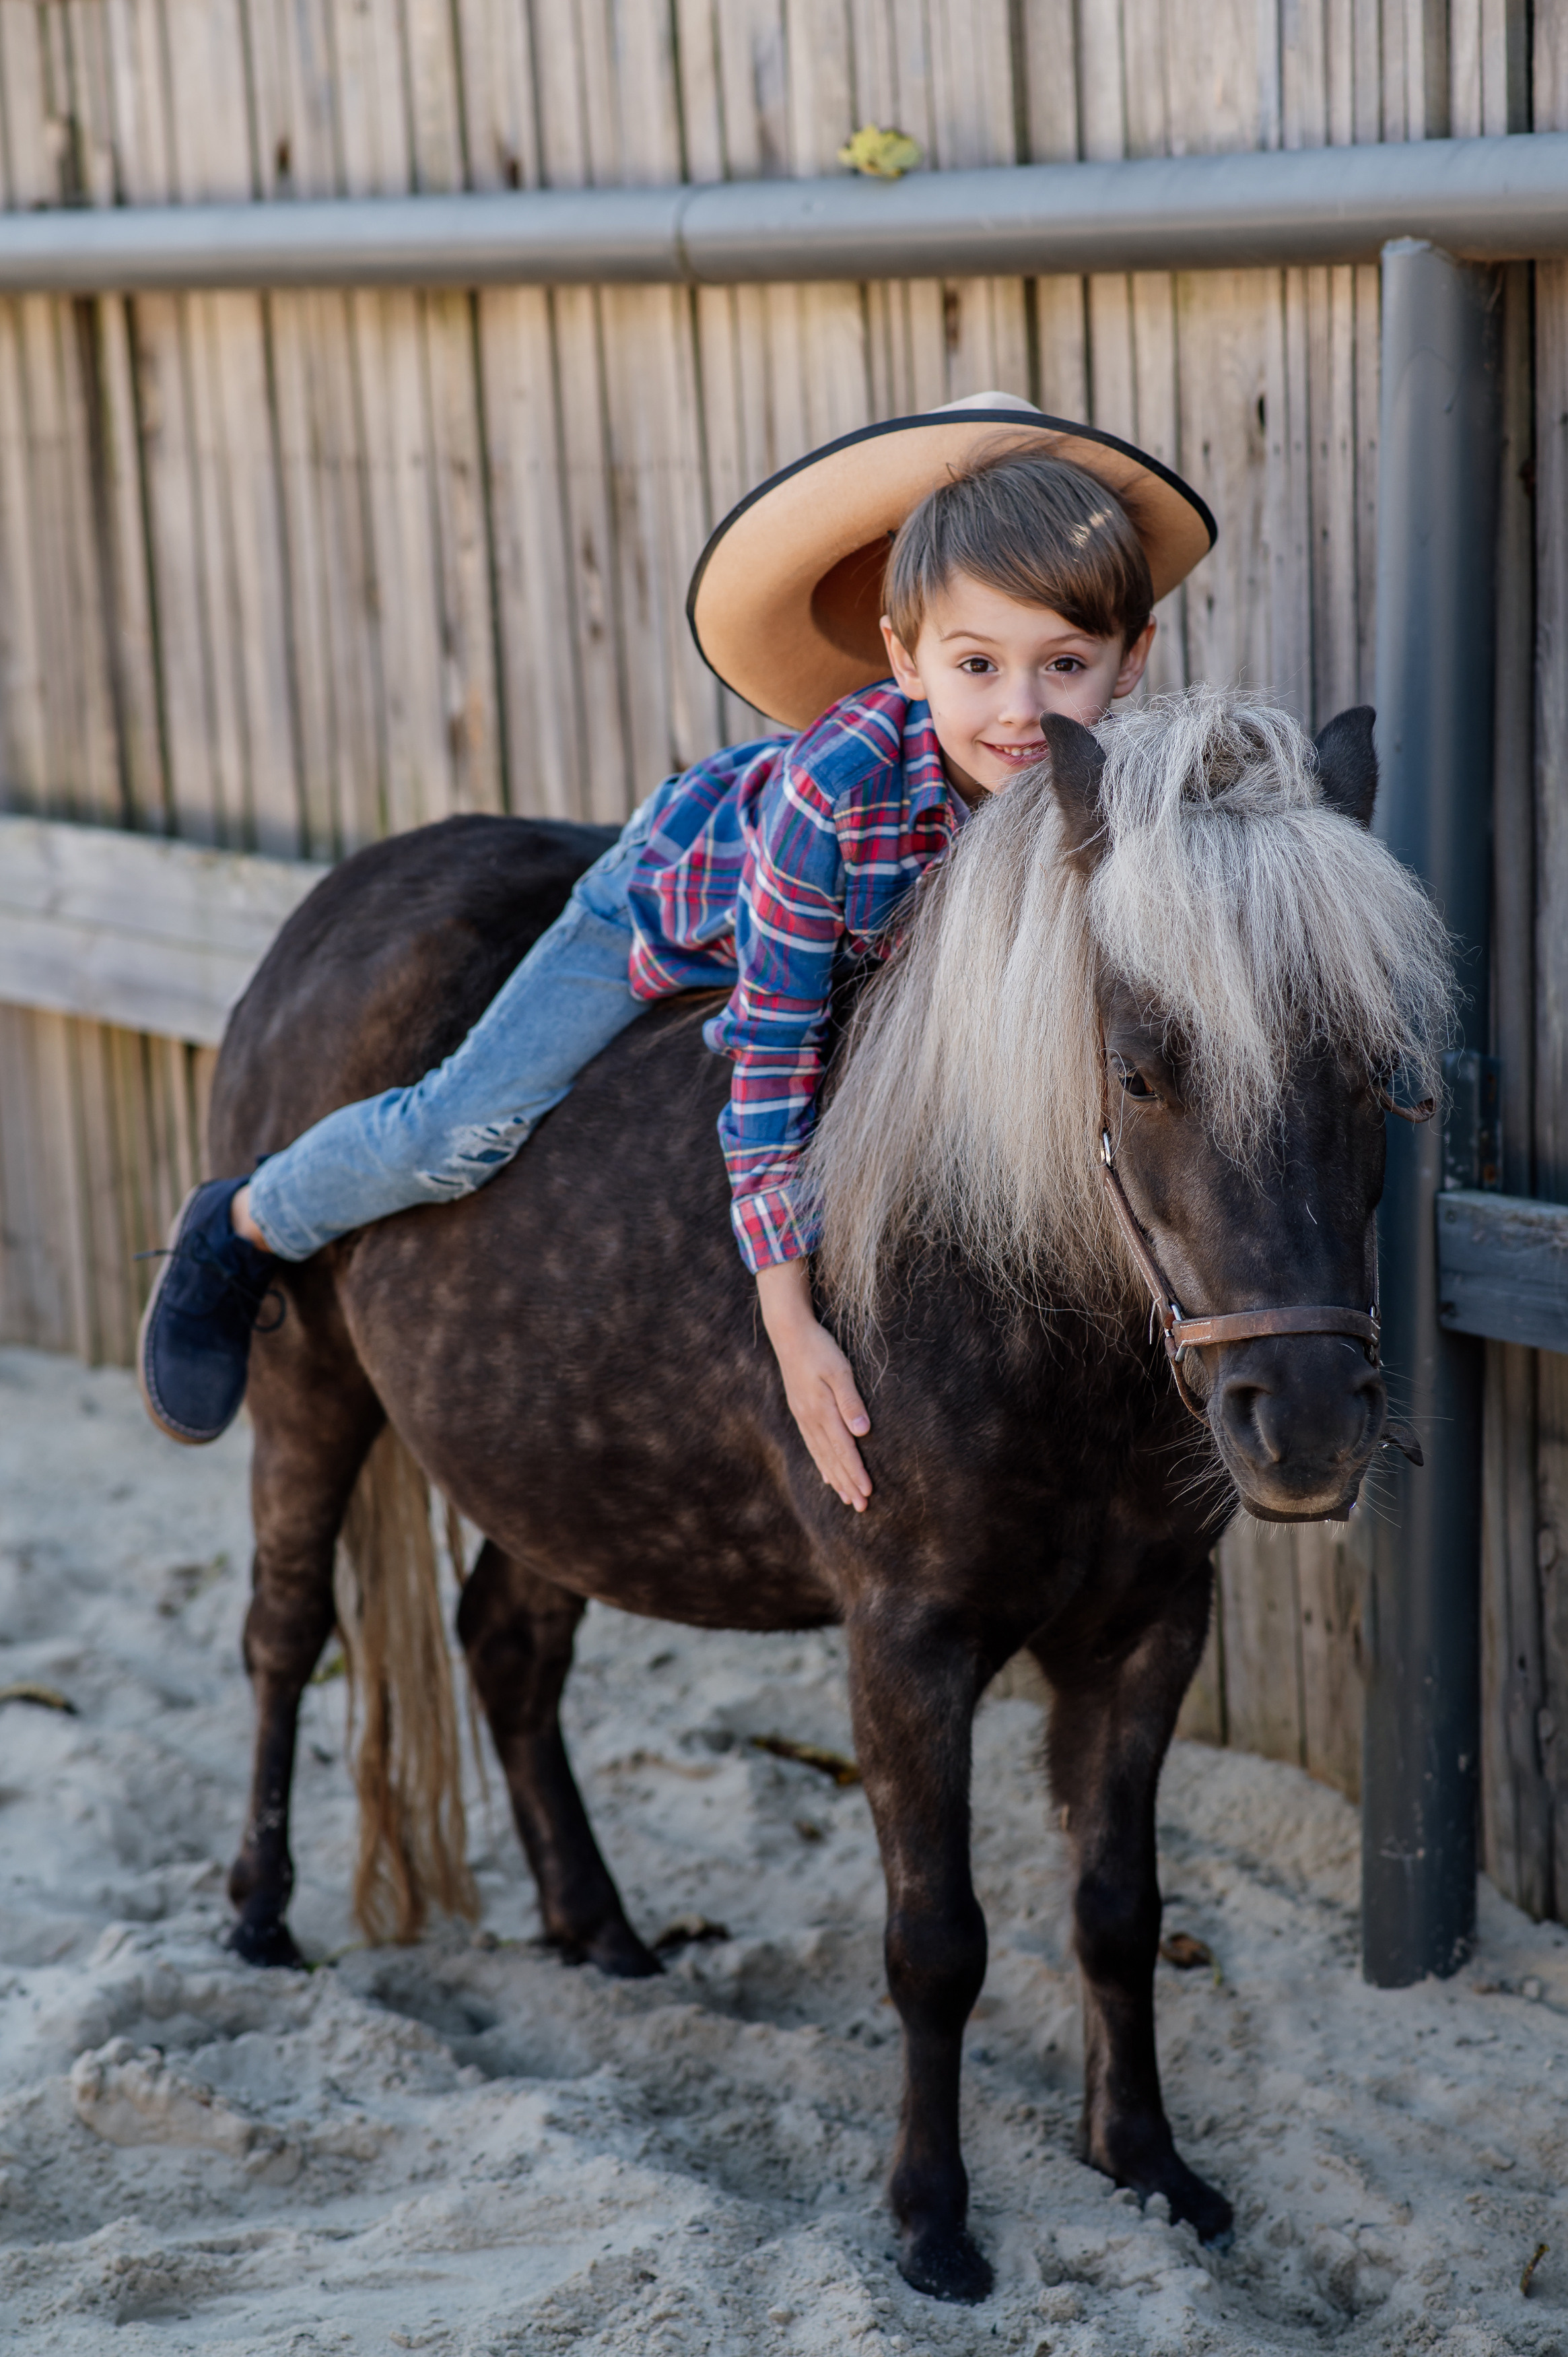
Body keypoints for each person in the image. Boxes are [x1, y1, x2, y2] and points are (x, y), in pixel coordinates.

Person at [137, 394, 1215, 1511]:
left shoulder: (1112, 792)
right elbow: (771, 1056)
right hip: (666, 911)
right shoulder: (834, 791)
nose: (1021, 712)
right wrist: (791, 1326)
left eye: (1064, 664)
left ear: (1128, 662)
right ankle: (245, 1223)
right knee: (460, 1127)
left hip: (866, 953)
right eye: (977, 665)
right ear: (902, 657)